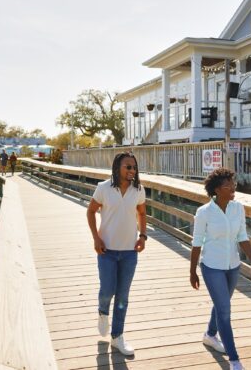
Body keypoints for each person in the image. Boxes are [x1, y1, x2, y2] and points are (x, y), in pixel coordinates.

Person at [190, 168, 251, 370]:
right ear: (217, 190)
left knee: (222, 305)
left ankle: (210, 335)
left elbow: (242, 236)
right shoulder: (204, 212)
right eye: (228, 185)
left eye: (233, 184)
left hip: (233, 266)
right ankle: (234, 359)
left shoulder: (238, 208)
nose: (233, 188)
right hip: (211, 266)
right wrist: (192, 271)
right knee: (224, 310)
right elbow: (196, 243)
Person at [86, 152, 147, 356]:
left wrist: (143, 236)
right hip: (107, 251)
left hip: (130, 252)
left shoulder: (138, 189)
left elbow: (142, 213)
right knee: (107, 291)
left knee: (123, 296)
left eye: (134, 167)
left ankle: (117, 337)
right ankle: (103, 312)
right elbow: (90, 211)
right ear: (117, 168)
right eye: (128, 167)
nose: (132, 171)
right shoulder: (103, 188)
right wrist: (96, 238)